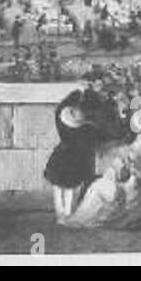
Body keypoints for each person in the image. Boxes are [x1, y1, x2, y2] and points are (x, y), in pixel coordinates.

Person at [60, 133, 141, 230]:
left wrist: (111, 176)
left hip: (110, 218)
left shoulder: (112, 192)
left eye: (128, 158)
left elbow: (80, 221)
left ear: (132, 164)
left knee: (100, 186)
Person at [43, 88, 105, 220]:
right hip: (70, 158)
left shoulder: (63, 116)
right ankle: (64, 213)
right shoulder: (87, 128)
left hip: (63, 156)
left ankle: (64, 213)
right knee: (65, 187)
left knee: (62, 187)